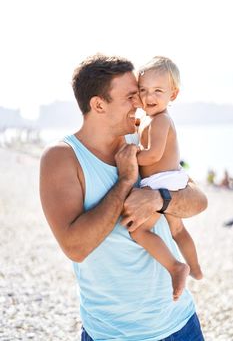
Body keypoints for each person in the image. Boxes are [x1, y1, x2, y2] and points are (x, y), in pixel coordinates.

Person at [40, 54, 207, 341]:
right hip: (114, 333)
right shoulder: (62, 158)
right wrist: (127, 180)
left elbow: (198, 200)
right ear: (98, 104)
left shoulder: (140, 141)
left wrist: (159, 199)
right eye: (132, 96)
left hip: (180, 322)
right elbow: (75, 247)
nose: (140, 103)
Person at [129, 57, 203, 303]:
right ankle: (196, 268)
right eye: (143, 90)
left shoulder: (161, 120)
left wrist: (131, 156)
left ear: (174, 94)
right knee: (178, 230)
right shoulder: (149, 119)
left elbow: (153, 155)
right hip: (169, 179)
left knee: (139, 230)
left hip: (162, 182)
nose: (149, 96)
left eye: (158, 91)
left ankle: (176, 266)